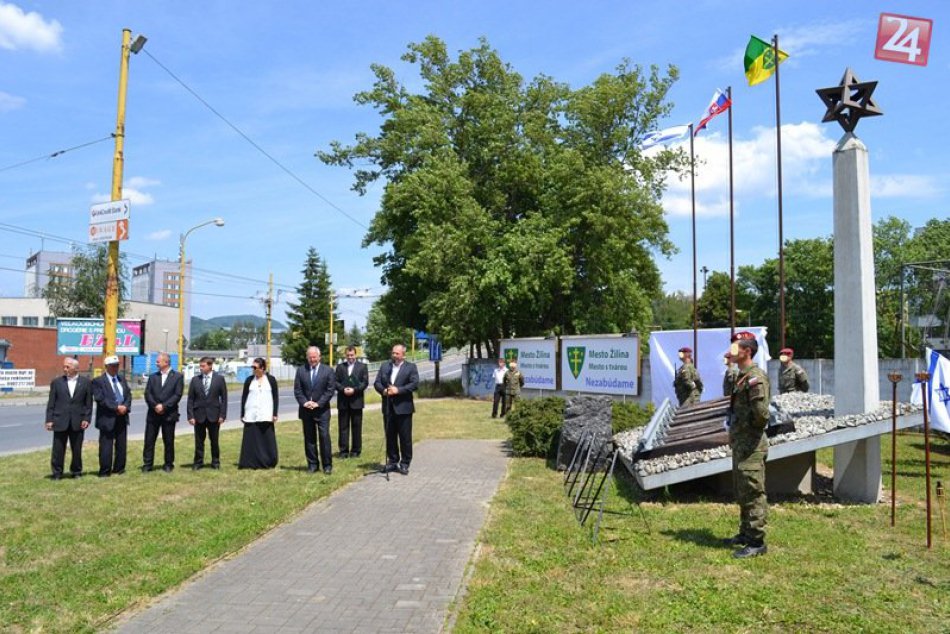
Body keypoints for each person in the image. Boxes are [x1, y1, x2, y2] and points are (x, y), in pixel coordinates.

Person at [723, 331, 771, 559]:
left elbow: (761, 414)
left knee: (753, 491)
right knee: (742, 489)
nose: (731, 351)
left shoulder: (755, 378)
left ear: (747, 351)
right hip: (741, 443)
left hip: (751, 443)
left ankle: (756, 541)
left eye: (735, 347)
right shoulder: (741, 377)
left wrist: (744, 431)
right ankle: (744, 533)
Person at [374, 343, 419, 475]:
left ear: (403, 354)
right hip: (388, 407)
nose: (394, 356)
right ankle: (393, 461)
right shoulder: (385, 366)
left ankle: (405, 463)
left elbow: (414, 384)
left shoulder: (410, 367)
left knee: (405, 437)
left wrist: (398, 390)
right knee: (390, 435)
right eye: (393, 353)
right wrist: (383, 390)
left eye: (397, 353)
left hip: (403, 408)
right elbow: (377, 382)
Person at [45, 357, 92, 479]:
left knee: (77, 449)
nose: (65, 369)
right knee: (58, 449)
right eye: (64, 367)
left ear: (76, 368)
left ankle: (76, 471)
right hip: (60, 420)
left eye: (68, 367)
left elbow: (88, 404)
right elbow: (51, 403)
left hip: (78, 421)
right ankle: (57, 473)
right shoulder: (57, 382)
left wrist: (86, 418)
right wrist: (49, 420)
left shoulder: (85, 383)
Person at [294, 346, 336, 474]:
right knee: (309, 438)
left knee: (324, 437)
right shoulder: (301, 371)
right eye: (310, 357)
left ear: (319, 357)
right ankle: (312, 465)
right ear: (307, 357)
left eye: (314, 357)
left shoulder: (328, 371)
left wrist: (318, 404)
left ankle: (327, 465)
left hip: (322, 410)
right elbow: (298, 390)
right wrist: (305, 402)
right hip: (306, 410)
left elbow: (330, 390)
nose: (312, 359)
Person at [143, 352, 184, 473]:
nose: (156, 363)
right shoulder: (153, 377)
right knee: (149, 440)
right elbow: (147, 393)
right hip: (153, 414)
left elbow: (177, 395)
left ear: (166, 362)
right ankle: (148, 464)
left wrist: (164, 406)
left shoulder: (177, 377)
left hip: (169, 414)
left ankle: (168, 464)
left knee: (168, 441)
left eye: (158, 361)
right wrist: (155, 405)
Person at [92, 355, 132, 477]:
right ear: (106, 367)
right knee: (106, 446)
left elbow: (128, 395)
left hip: (122, 417)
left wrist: (125, 406)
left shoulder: (121, 379)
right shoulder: (98, 381)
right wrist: (116, 407)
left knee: (121, 445)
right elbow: (100, 399)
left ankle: (119, 468)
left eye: (117, 365)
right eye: (113, 366)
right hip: (107, 418)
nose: (115, 368)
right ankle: (105, 470)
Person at [187, 356, 228, 470]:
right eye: (200, 366)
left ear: (210, 366)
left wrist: (222, 415)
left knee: (214, 440)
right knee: (199, 441)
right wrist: (190, 416)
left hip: (214, 415)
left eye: (203, 366)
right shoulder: (195, 380)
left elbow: (224, 398)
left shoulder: (219, 379)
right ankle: (198, 462)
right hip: (198, 415)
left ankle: (215, 462)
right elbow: (190, 399)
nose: (201, 368)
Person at [239, 357, 279, 469]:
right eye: (252, 367)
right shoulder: (249, 380)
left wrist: (275, 413)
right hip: (251, 414)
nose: (253, 369)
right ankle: (250, 462)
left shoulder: (271, 380)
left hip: (266, 414)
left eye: (255, 367)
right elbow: (244, 397)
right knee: (251, 439)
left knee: (266, 438)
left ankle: (268, 461)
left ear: (262, 368)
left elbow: (275, 397)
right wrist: (242, 413)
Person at [335, 346, 369, 458]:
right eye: (348, 355)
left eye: (352, 355)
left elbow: (364, 383)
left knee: (356, 427)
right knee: (343, 427)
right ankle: (343, 451)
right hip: (343, 402)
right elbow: (335, 382)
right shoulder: (340, 367)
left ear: (356, 355)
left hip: (356, 401)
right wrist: (343, 389)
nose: (350, 357)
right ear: (345, 355)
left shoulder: (363, 367)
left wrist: (354, 390)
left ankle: (356, 451)